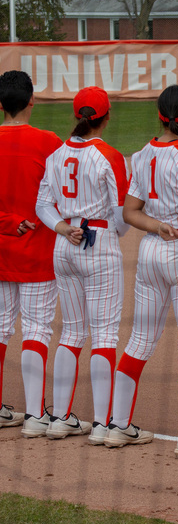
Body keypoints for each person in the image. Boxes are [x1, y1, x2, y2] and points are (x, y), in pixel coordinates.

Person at [105, 85, 178, 453]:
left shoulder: (141, 154)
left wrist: (155, 226)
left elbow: (131, 211)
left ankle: (117, 425)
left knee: (139, 340)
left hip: (150, 250)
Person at [35, 86, 129, 444]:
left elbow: (43, 204)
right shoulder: (110, 155)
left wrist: (63, 228)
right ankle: (104, 424)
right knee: (104, 334)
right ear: (106, 117)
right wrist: (107, 234)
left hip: (64, 243)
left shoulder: (57, 154)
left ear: (78, 115)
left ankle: (60, 418)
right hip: (99, 243)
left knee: (71, 332)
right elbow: (120, 217)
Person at [0, 70, 62, 434]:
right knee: (37, 328)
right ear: (32, 100)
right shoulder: (49, 142)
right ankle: (37, 415)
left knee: (0, 327)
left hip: (1, 249)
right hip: (38, 249)